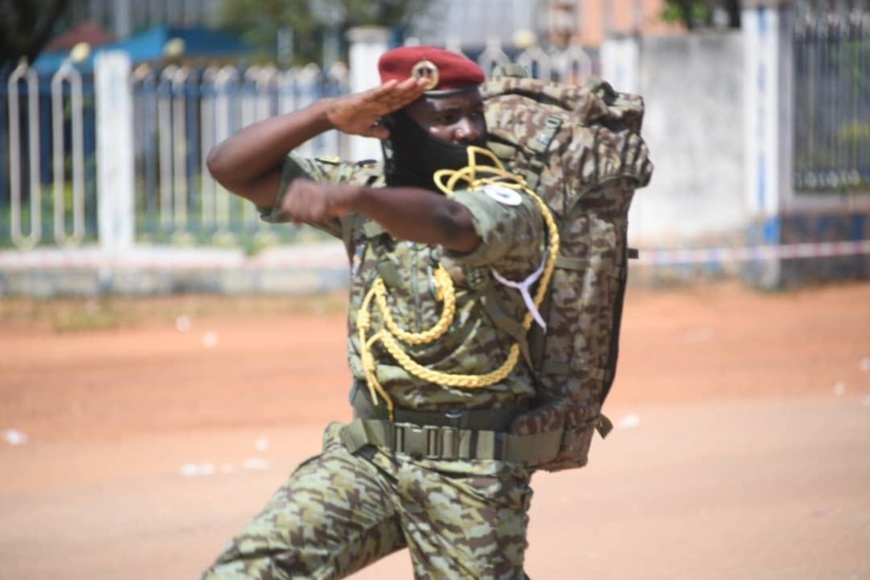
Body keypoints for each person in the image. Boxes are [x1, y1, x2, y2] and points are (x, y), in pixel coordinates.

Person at [202, 45, 550, 579]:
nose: (469, 131)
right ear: (390, 126)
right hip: (370, 455)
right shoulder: (362, 188)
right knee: (249, 570)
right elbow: (229, 167)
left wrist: (352, 202)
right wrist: (326, 114)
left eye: (474, 112)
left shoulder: (510, 197)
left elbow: (449, 221)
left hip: (472, 469)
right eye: (446, 118)